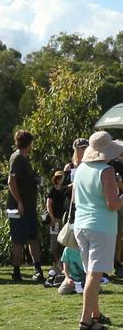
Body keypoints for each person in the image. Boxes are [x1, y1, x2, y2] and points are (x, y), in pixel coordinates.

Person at [74, 132, 123, 330]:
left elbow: (78, 199)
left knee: (90, 274)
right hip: (100, 227)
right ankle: (86, 321)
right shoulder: (106, 171)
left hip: (81, 225)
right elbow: (113, 204)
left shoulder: (81, 169)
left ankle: (94, 315)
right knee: (95, 275)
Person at [6, 129, 44, 282]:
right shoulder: (16, 158)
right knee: (18, 240)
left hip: (30, 208)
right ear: (28, 143)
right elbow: (11, 181)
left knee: (33, 238)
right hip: (19, 208)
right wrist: (19, 202)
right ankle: (16, 272)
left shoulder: (25, 159)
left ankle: (38, 269)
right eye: (32, 142)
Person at [47, 170, 67, 271]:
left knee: (64, 242)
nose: (60, 179)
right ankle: (56, 262)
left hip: (64, 220)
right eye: (59, 177)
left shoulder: (65, 190)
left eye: (62, 177)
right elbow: (48, 205)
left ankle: (63, 264)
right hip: (55, 220)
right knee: (54, 242)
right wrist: (52, 218)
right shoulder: (52, 191)